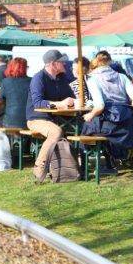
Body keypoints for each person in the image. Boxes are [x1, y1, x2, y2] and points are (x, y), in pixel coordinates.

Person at [81, 51, 133, 171]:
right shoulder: (122, 76)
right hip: (127, 126)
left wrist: (90, 115)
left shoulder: (93, 78)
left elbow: (100, 106)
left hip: (108, 124)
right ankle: (114, 162)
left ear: (96, 62)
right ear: (110, 62)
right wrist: (128, 110)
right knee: (98, 130)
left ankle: (84, 168)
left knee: (85, 130)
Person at [26, 49, 76, 181]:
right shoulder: (38, 78)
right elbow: (38, 103)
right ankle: (39, 167)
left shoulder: (62, 78)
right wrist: (60, 104)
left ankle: (74, 166)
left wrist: (72, 101)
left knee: (82, 127)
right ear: (53, 64)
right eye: (62, 62)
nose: (65, 64)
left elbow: (71, 97)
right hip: (36, 119)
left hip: (58, 118)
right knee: (56, 132)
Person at [0, 57, 31, 130]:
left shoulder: (5, 81)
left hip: (10, 121)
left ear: (10, 67)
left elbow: (1, 100)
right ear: (25, 68)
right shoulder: (32, 81)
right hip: (30, 120)